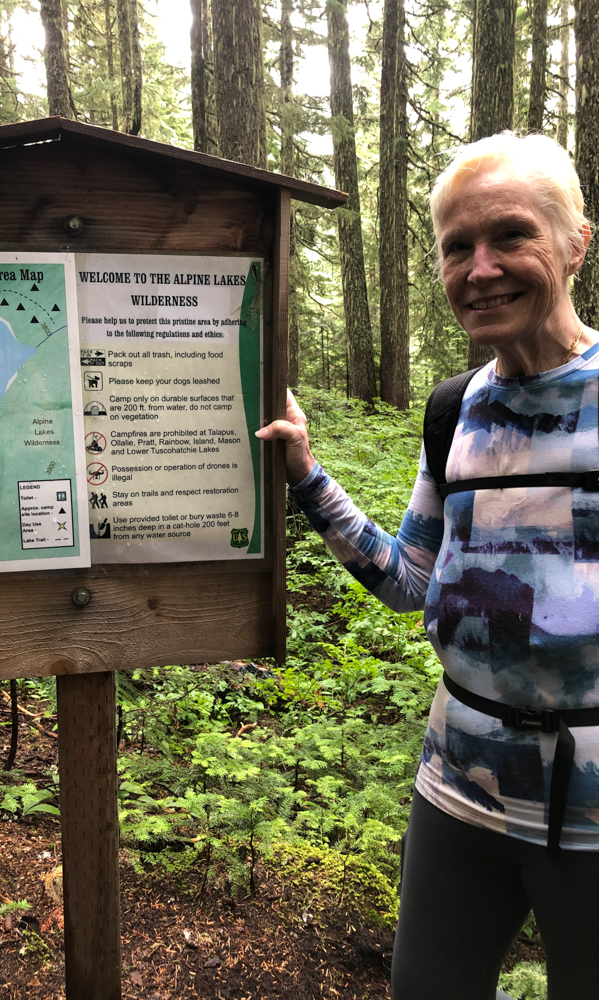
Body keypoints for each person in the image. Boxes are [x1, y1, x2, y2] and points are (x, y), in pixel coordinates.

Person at [255, 131, 599, 1000]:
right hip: (458, 785)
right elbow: (411, 580)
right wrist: (306, 475)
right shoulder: (456, 410)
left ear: (574, 244)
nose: (480, 268)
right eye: (457, 247)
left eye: (510, 236)